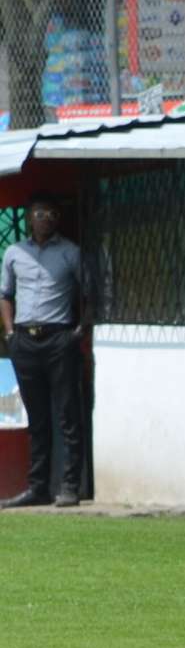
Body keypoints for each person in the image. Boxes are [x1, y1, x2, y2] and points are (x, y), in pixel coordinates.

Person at [1, 195, 90, 508]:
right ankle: (37, 487)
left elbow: (90, 292)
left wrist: (78, 332)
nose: (46, 218)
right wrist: (10, 333)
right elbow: (5, 294)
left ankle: (70, 486)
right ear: (29, 218)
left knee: (67, 414)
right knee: (37, 417)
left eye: (52, 213)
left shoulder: (70, 252)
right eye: (40, 213)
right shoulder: (14, 252)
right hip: (25, 340)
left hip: (58, 339)